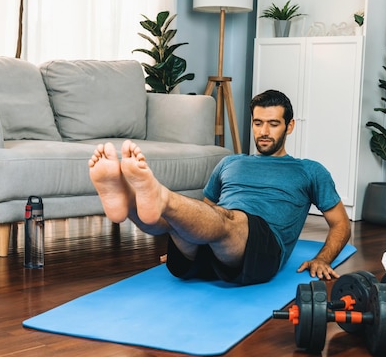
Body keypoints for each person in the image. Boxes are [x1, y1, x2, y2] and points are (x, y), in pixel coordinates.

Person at [88, 89, 351, 286]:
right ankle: (127, 199)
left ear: (289, 126)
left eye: (273, 123)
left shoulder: (309, 170)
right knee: (175, 220)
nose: (264, 131)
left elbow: (341, 223)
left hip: (261, 251)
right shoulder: (230, 162)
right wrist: (185, 233)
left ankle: (159, 195)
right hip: (209, 249)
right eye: (258, 123)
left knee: (228, 219)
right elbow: (205, 210)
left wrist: (323, 258)